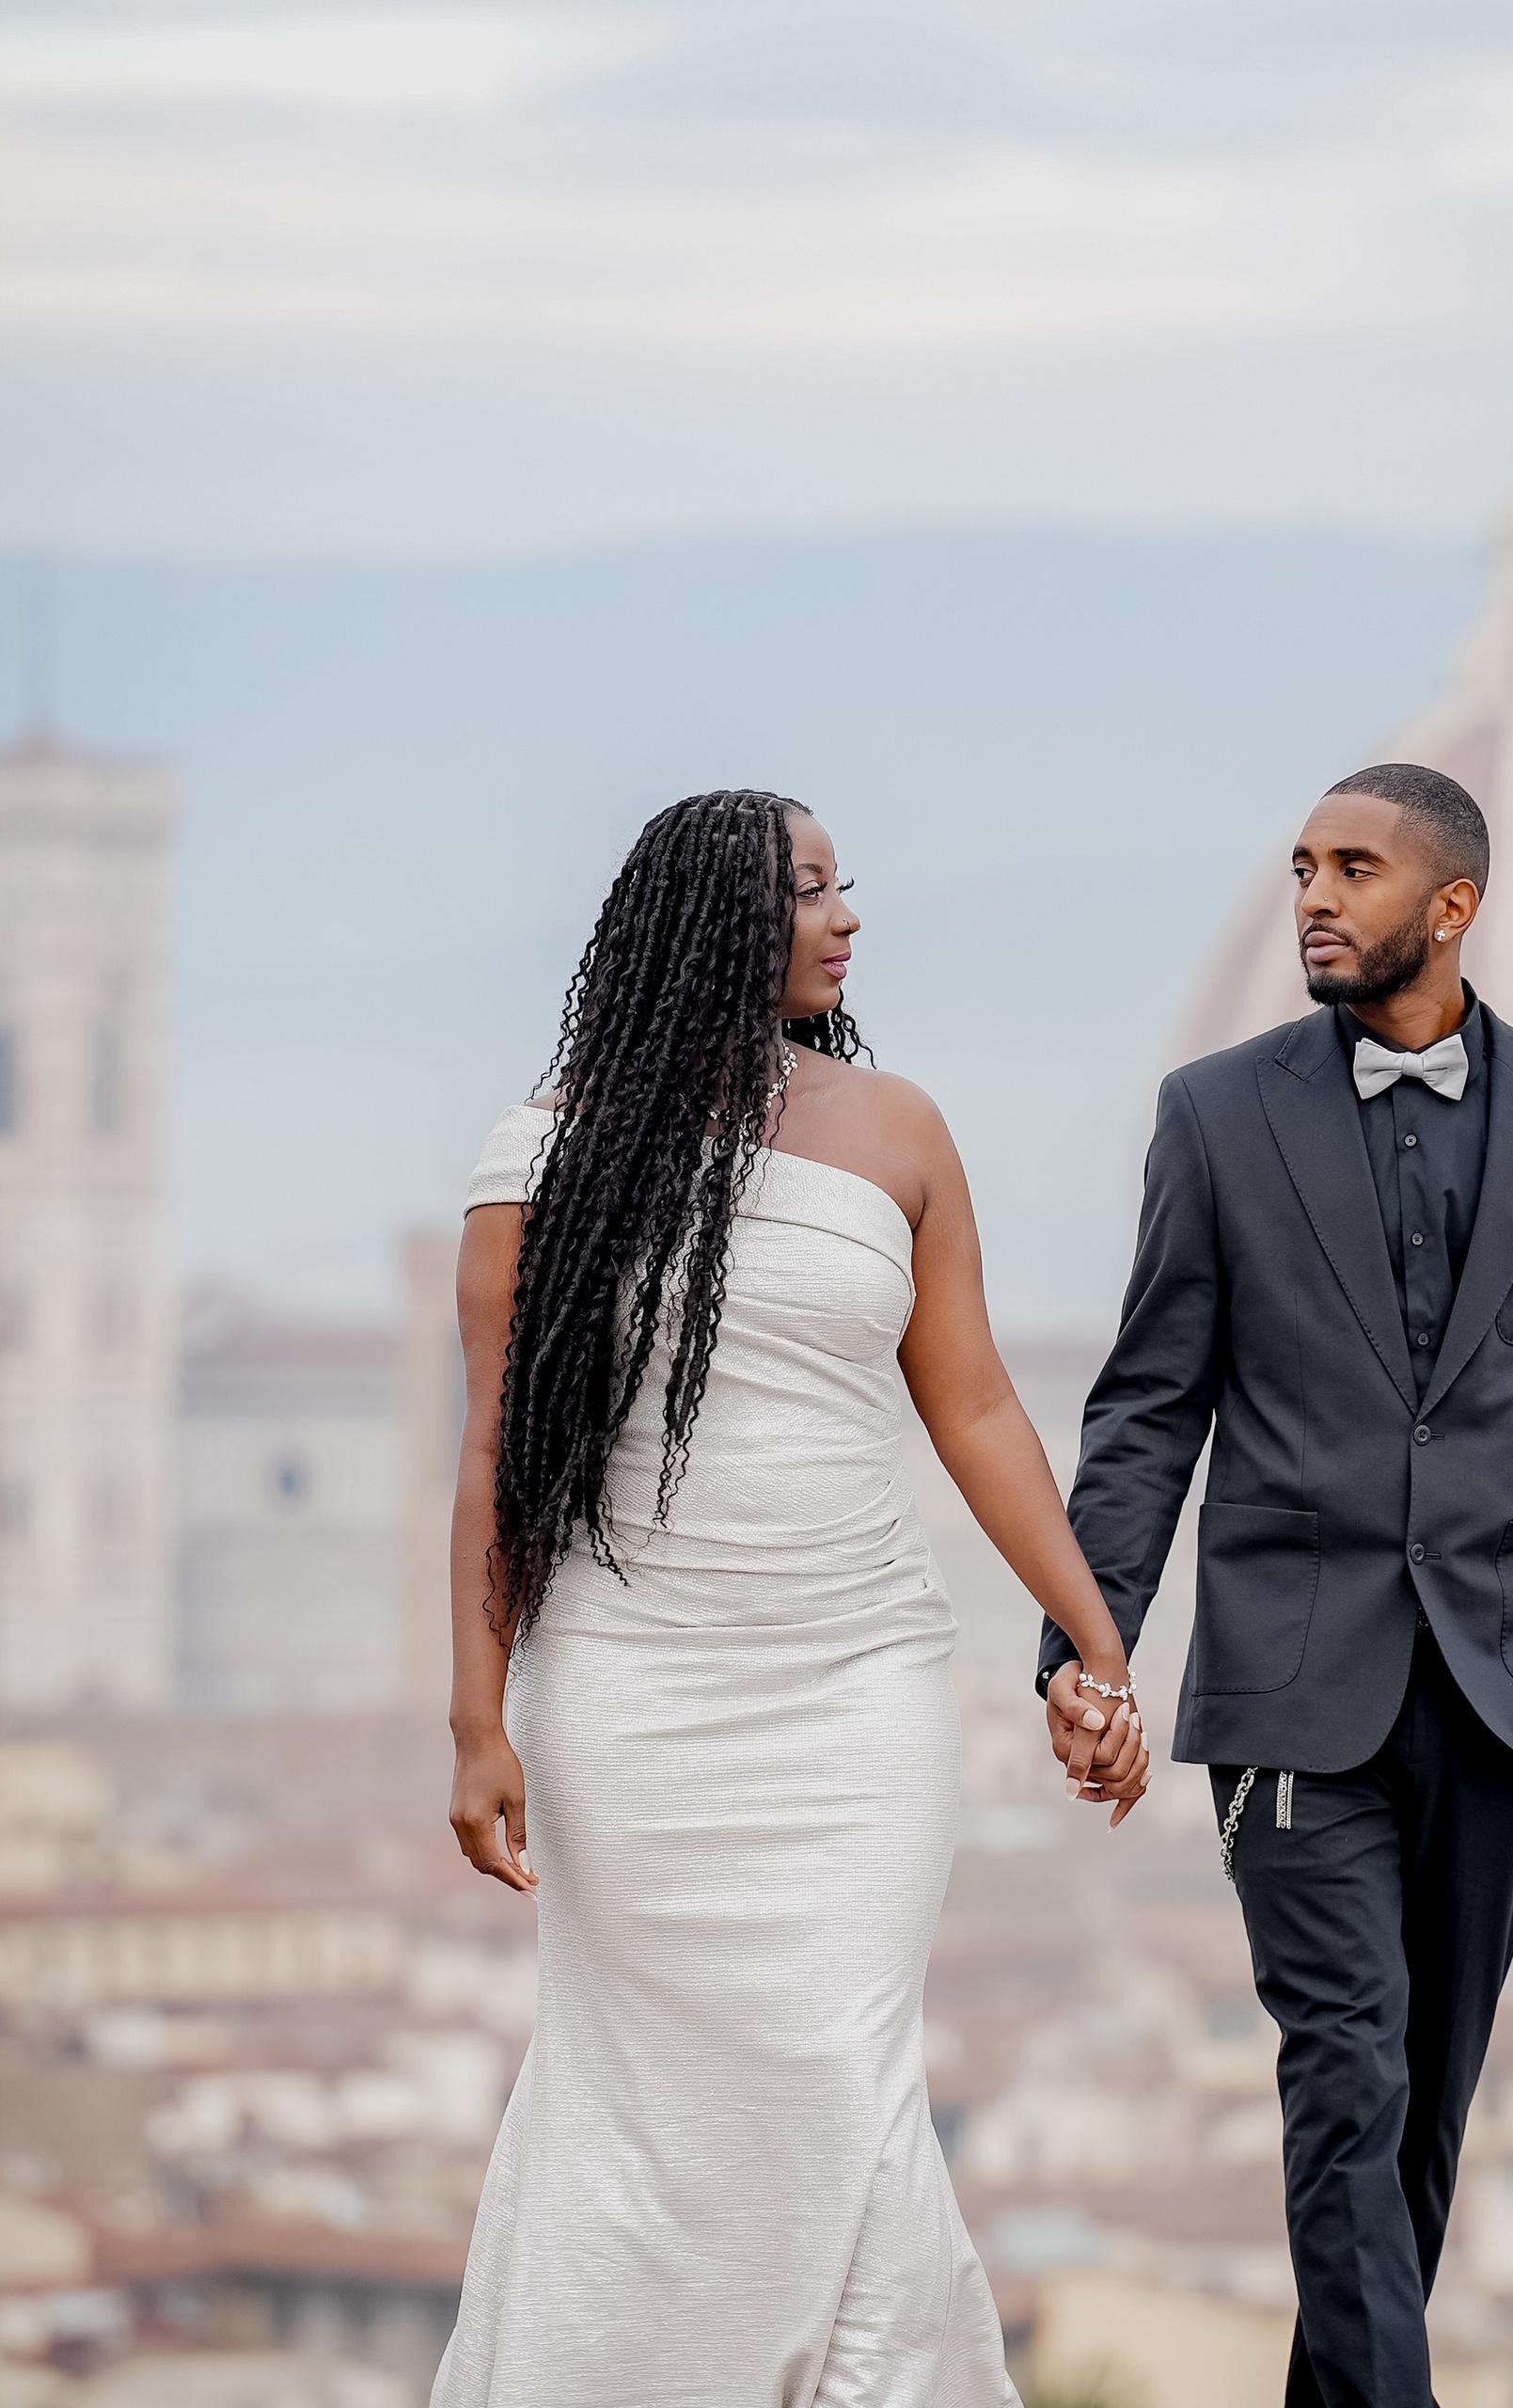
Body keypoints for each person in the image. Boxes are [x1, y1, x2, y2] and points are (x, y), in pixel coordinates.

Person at [434, 790, 1147, 2408]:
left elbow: (976, 1407)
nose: (846, 918)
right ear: (707, 931)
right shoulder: (536, 1157)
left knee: (843, 2076)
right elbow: (491, 1457)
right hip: (628, 1686)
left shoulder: (900, 1132)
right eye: (808, 893)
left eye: (844, 887)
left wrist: (1094, 1634)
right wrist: (476, 1721)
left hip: (857, 1688)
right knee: (643, 2103)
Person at [1042, 764, 1513, 2406]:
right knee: (1344, 2073)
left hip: (1508, 1685)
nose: (1312, 896)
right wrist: (1085, 1645)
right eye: (1304, 866)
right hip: (1292, 1692)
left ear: (1452, 907)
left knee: (1424, 2111)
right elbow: (1149, 1407)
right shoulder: (1216, 1115)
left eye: (1354, 869)